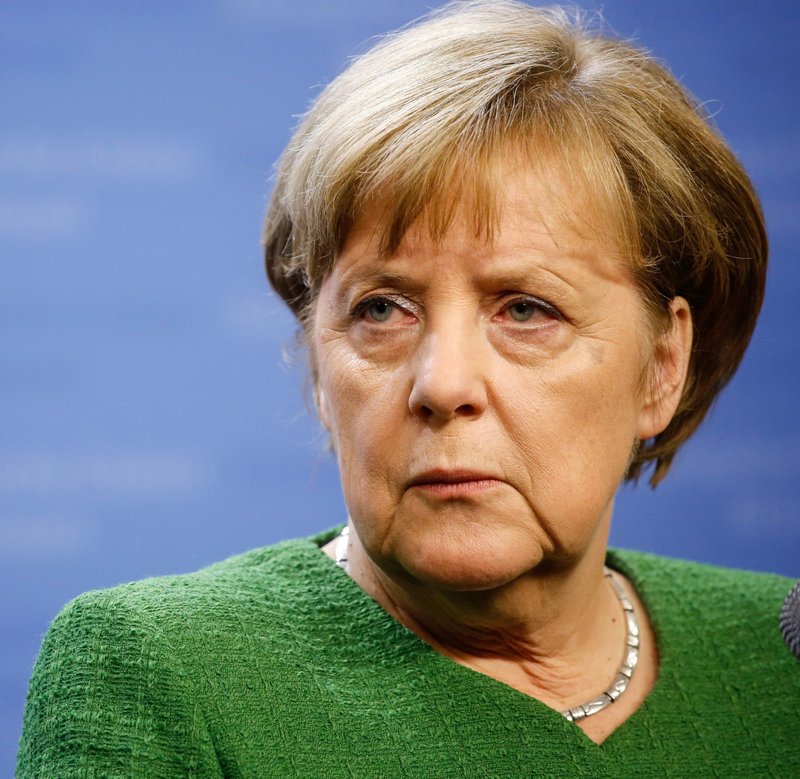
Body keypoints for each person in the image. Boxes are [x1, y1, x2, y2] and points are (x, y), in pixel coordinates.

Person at [17, 1, 799, 775]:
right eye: (381, 310)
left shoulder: (779, 650)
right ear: (320, 370)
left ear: (663, 367)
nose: (443, 383)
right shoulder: (159, 670)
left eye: (526, 309)